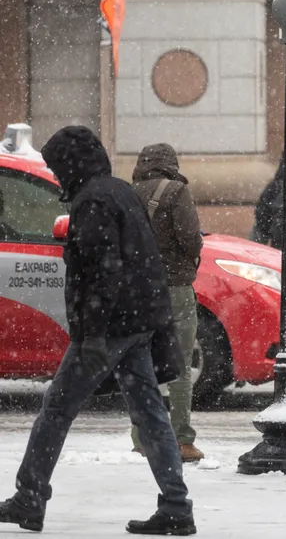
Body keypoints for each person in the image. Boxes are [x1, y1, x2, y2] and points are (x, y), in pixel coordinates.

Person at [0, 126, 195, 535]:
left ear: (72, 163)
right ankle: (177, 506)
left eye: (57, 166)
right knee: (151, 414)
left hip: (110, 328)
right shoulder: (119, 191)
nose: (56, 175)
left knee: (56, 410)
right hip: (137, 323)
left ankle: (29, 497)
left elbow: (101, 272)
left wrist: (91, 335)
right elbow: (143, 262)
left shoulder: (93, 201)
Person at [129, 143, 205, 463]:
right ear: (171, 164)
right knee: (180, 365)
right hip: (174, 288)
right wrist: (190, 256)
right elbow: (190, 239)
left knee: (140, 364)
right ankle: (183, 440)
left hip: (137, 291)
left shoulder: (127, 193)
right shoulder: (176, 191)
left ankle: (141, 438)